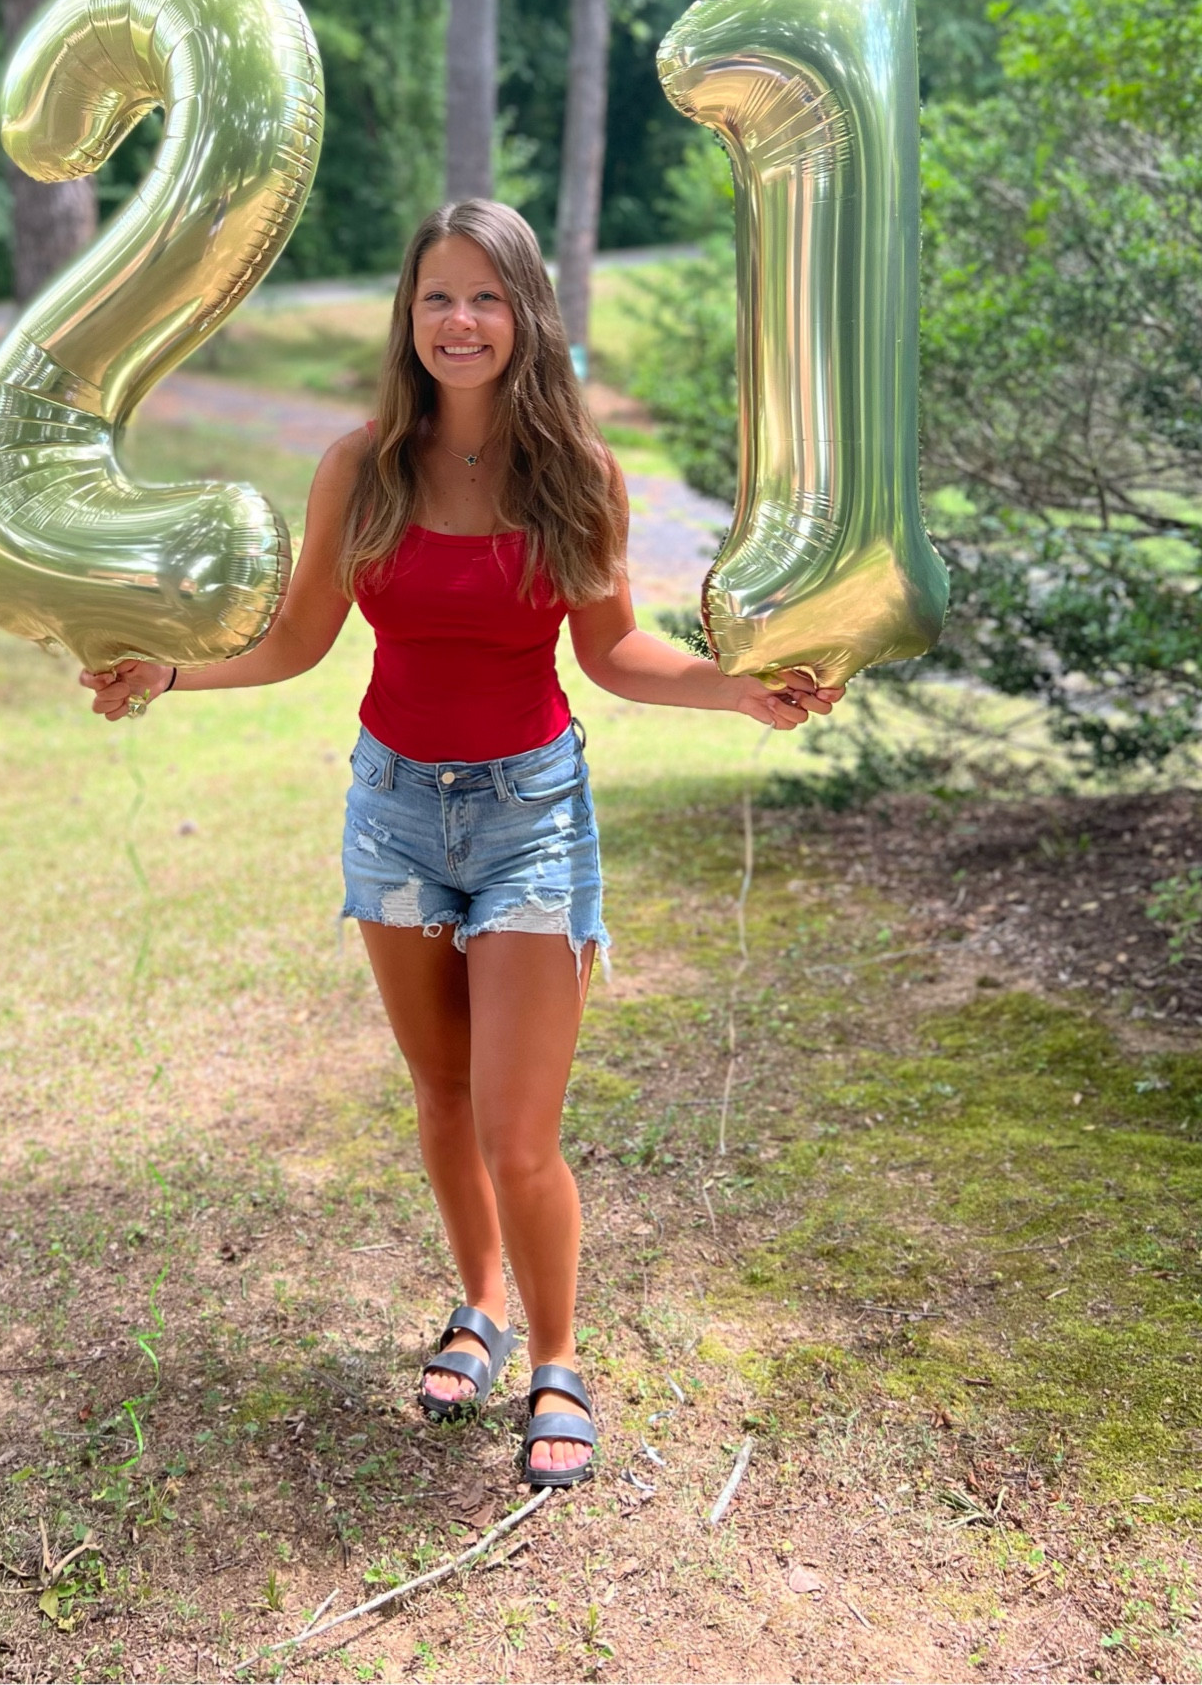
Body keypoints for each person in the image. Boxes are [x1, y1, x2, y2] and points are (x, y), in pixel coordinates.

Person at [81, 199, 842, 1486]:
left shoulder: (576, 476)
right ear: (410, 315)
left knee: (517, 1130)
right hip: (392, 811)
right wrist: (168, 671)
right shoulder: (359, 467)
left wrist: (736, 686)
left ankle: (557, 1359)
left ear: (526, 313)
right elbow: (298, 642)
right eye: (437, 295)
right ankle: (478, 1304)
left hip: (530, 814)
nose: (460, 320)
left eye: (486, 296)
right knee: (440, 1095)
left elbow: (609, 649)